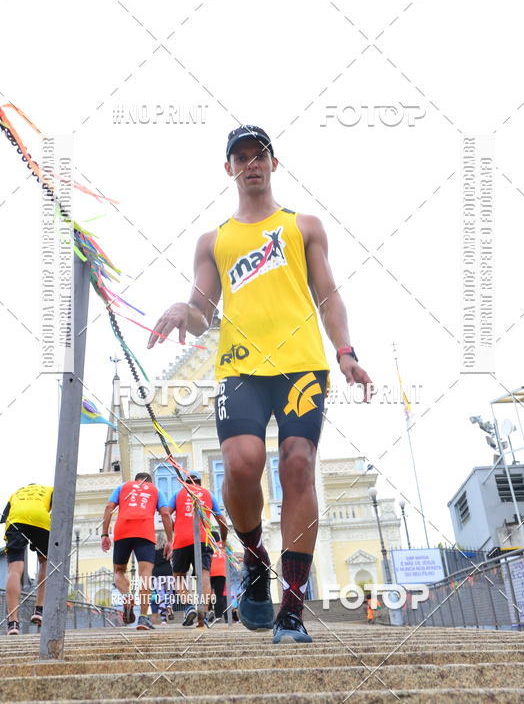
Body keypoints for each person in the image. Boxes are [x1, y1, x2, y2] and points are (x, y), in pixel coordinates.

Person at [149, 125, 372, 643]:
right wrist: (186, 308)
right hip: (241, 367)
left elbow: (329, 295)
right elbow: (204, 312)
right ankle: (253, 555)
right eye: (241, 157)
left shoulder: (305, 226)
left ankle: (290, 610)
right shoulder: (214, 241)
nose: (251, 164)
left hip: (302, 364)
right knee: (245, 464)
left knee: (297, 464)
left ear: (274, 163)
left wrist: (345, 352)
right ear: (228, 169)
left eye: (260, 156)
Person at [101, 471, 173, 630]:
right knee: (145, 574)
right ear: (149, 481)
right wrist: (169, 540)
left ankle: (127, 596)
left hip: (122, 532)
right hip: (144, 532)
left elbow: (108, 507)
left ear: (136, 480)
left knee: (119, 571)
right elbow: (166, 513)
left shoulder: (122, 487)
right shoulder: (155, 490)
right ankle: (142, 617)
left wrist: (105, 534)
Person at [166, 471, 228, 628]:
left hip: (181, 540)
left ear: (186, 481)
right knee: (204, 576)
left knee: (179, 577)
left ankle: (188, 607)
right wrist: (224, 539)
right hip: (203, 539)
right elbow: (222, 520)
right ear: (199, 482)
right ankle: (204, 614)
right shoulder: (208, 494)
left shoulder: (178, 493)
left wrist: (174, 529)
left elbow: (166, 513)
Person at [1, 483, 53, 635]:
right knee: (44, 561)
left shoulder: (16, 493)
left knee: (14, 570)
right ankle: (39, 609)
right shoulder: (49, 490)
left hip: (15, 521)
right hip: (40, 519)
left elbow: (4, 517)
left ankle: (13, 623)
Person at [151, 532, 174, 626]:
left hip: (157, 575)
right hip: (168, 574)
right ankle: (169, 606)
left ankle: (164, 620)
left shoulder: (153, 550)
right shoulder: (168, 549)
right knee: (170, 594)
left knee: (161, 598)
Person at [209, 530, 228, 621]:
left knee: (207, 593)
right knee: (219, 595)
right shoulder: (223, 546)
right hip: (221, 573)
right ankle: (218, 616)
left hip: (209, 571)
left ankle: (208, 611)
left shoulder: (208, 545)